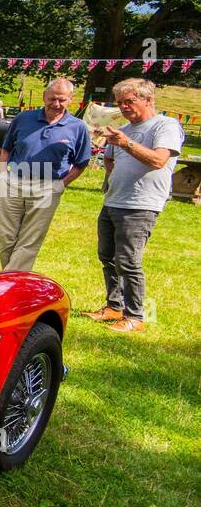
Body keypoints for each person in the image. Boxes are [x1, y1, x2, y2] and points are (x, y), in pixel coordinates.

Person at [81, 78, 184, 333]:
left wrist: (125, 142)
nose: (124, 107)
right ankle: (114, 307)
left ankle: (135, 316)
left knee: (128, 260)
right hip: (114, 200)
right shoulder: (125, 128)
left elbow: (159, 160)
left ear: (148, 100)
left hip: (141, 204)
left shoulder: (165, 125)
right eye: (120, 103)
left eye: (130, 101)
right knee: (107, 256)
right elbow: (110, 159)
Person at [0, 77, 91, 271]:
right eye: (52, 98)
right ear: (44, 96)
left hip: (48, 186)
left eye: (62, 100)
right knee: (5, 237)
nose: (56, 104)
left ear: (71, 99)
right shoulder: (24, 118)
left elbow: (81, 162)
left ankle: (11, 282)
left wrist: (61, 185)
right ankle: (11, 277)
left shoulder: (78, 127)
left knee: (29, 240)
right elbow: (5, 149)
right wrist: (3, 174)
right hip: (14, 182)